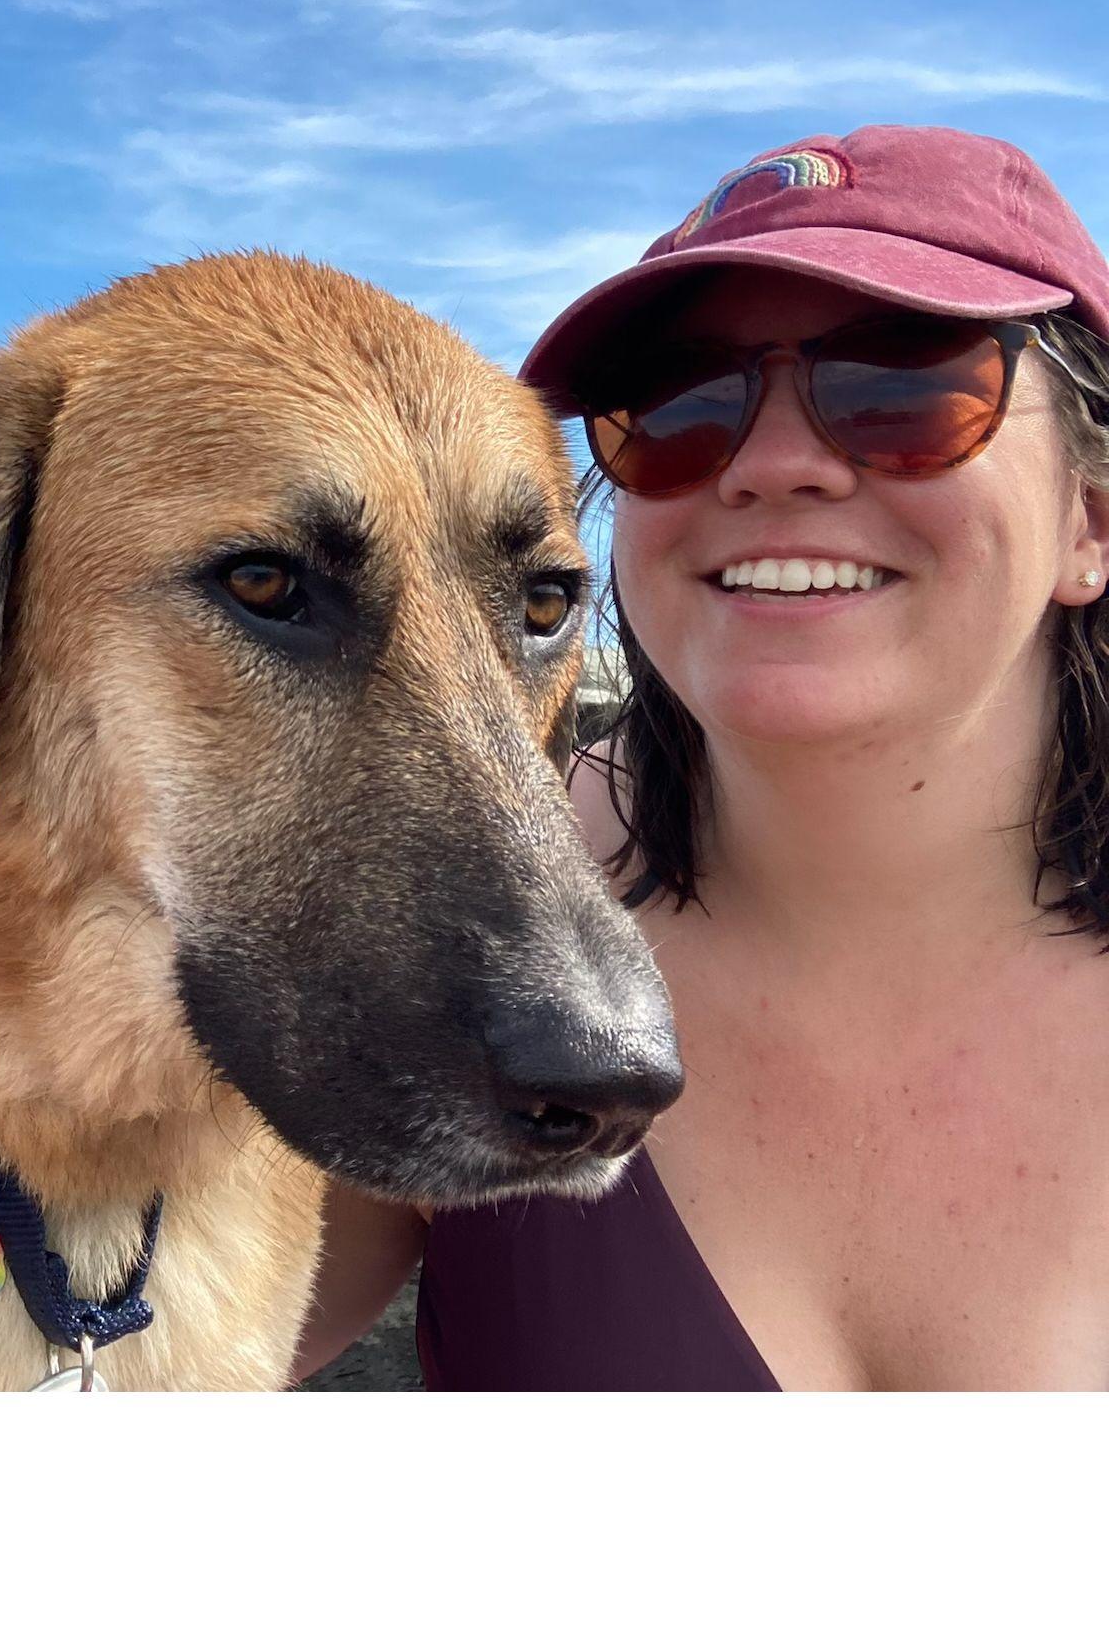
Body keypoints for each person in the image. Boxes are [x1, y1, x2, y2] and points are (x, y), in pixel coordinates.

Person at [295, 125, 1109, 1391]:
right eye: (677, 410)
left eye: (903, 385)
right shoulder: (459, 930)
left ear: (1089, 519)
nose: (771, 465)